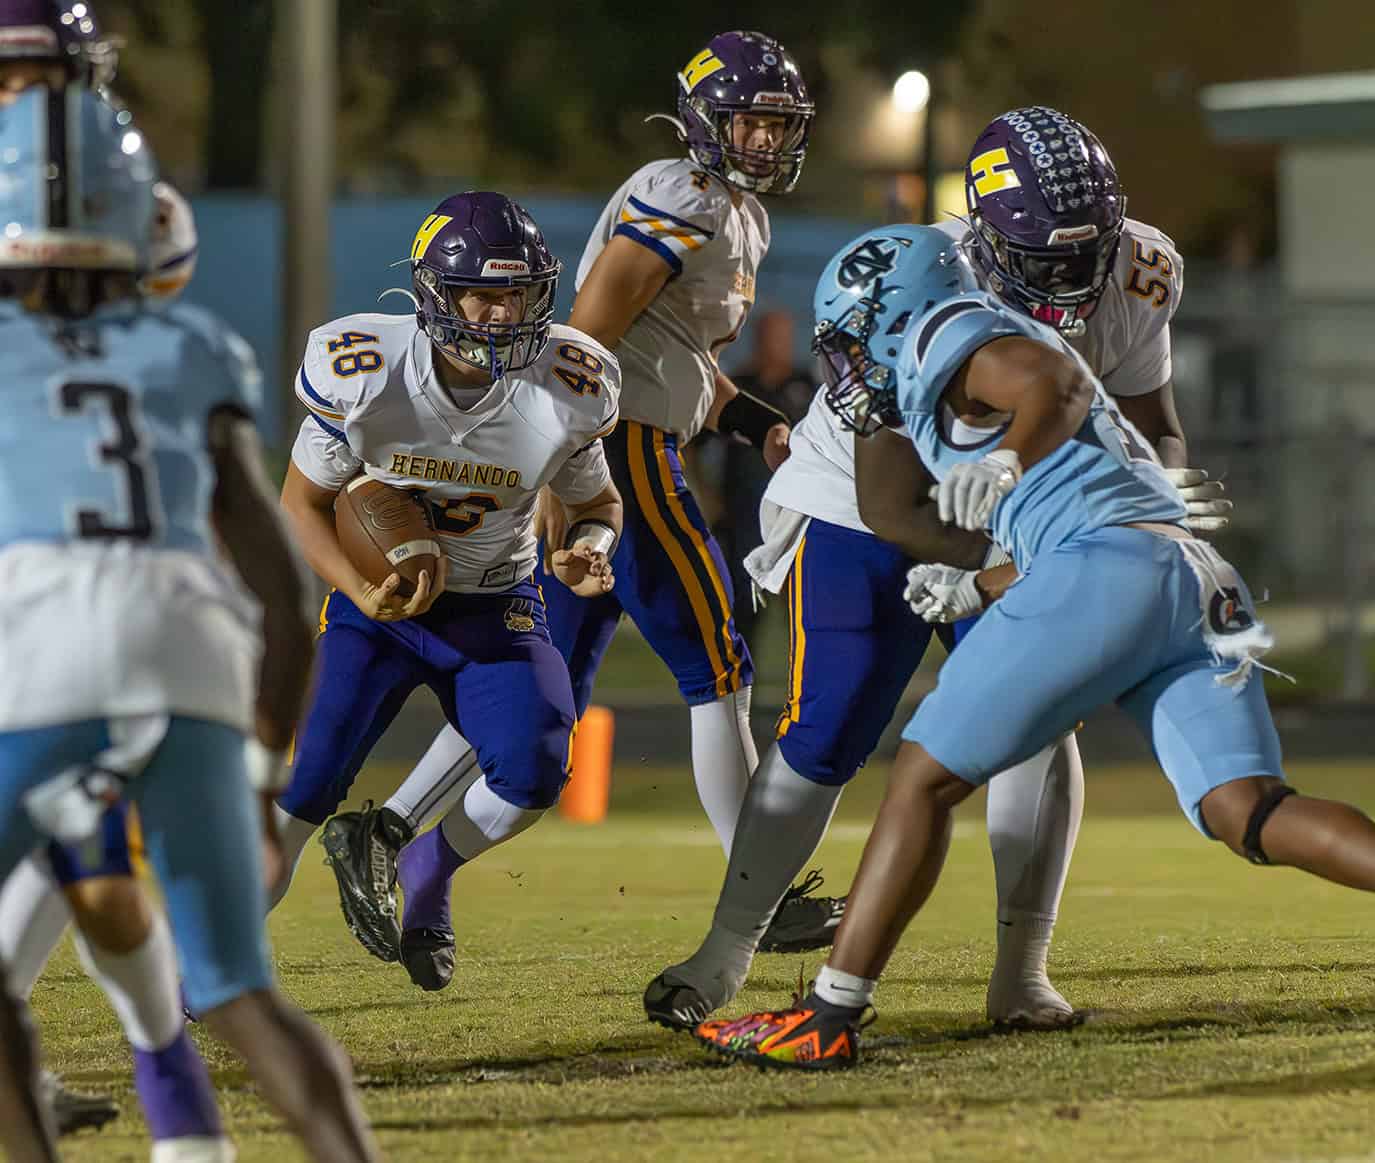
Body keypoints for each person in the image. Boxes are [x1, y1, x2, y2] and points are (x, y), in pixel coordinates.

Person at [691, 221, 1375, 1071]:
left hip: (1104, 570)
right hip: (1190, 578)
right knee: (1251, 811)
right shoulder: (959, 353)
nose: (846, 364)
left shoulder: (953, 329)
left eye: (853, 337)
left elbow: (1051, 385)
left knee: (923, 777)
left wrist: (1007, 461)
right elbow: (1093, 518)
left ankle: (829, 1011)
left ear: (890, 311)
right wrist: (976, 584)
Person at [642, 107, 1233, 1030]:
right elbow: (890, 503)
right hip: (866, 494)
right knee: (827, 725)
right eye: (1042, 263)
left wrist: (1156, 484)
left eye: (1086, 258)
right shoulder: (914, 281)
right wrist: (986, 565)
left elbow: (1148, 416)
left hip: (1021, 500)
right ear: (987, 241)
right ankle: (724, 953)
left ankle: (1021, 971)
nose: (1069, 285)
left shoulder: (1140, 271)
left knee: (1035, 725)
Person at [325, 30, 837, 991]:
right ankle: (758, 891)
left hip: (645, 435)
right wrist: (563, 475)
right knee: (718, 659)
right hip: (622, 453)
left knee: (541, 708)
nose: (766, 139)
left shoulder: (732, 214)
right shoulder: (682, 195)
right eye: (751, 118)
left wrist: (759, 424)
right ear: (702, 119)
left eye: (779, 122)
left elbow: (686, 367)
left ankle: (396, 841)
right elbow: (587, 340)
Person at [0, 86, 378, 1160]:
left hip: (36, 645)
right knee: (241, 991)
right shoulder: (194, 344)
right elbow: (282, 592)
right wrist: (262, 782)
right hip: (191, 644)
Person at [270, 191, 623, 992]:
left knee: (534, 772)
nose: (502, 313)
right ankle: (205, 981)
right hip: (382, 614)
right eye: (482, 293)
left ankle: (425, 867)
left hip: (495, 600)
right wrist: (358, 589)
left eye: (519, 292)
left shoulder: (570, 381)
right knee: (301, 792)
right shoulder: (364, 368)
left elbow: (598, 504)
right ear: (435, 293)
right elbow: (302, 503)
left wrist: (586, 549)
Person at [0, 3, 238, 1154]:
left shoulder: (102, 176)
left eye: (38, 72)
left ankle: (162, 1079)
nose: (25, 99)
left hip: (55, 553)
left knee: (76, 826)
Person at [713, 309, 816, 654]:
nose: (778, 344)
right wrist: (707, 496)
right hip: (742, 513)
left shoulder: (807, 385)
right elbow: (693, 446)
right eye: (771, 335)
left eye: (783, 336)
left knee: (804, 603)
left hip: (798, 513)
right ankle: (742, 684)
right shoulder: (736, 388)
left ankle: (801, 685)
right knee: (744, 603)